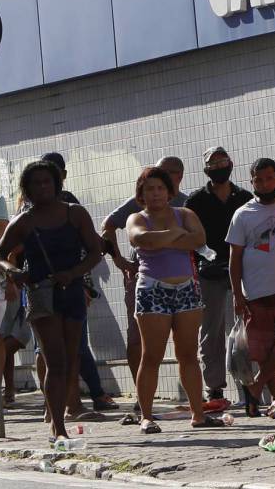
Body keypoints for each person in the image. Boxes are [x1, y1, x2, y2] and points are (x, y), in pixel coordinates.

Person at [0, 161, 103, 439]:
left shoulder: (75, 214)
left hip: (73, 291)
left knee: (71, 357)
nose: (42, 187)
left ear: (57, 184)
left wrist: (75, 273)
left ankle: (64, 411)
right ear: (27, 189)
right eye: (36, 183)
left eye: (47, 181)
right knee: (54, 360)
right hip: (40, 293)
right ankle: (58, 426)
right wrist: (12, 271)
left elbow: (95, 251)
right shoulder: (24, 221)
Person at [126, 166, 220, 433]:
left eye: (160, 188)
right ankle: (146, 415)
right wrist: (176, 235)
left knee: (188, 354)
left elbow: (199, 239)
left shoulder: (184, 213)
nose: (155, 194)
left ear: (169, 191)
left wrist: (164, 239)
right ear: (141, 193)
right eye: (149, 189)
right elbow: (141, 240)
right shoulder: (137, 217)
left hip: (187, 288)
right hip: (153, 289)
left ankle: (198, 413)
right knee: (151, 354)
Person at [40, 151, 118, 414]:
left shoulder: (70, 205)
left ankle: (73, 401)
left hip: (72, 283)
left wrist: (80, 276)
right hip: (43, 286)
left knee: (71, 345)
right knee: (55, 348)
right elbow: (5, 251)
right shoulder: (29, 211)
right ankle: (59, 404)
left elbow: (93, 247)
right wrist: (17, 275)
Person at [100, 156, 187, 386]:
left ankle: (194, 399)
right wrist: (118, 259)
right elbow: (108, 224)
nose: (158, 184)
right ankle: (142, 396)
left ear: (179, 177)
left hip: (182, 280)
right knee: (138, 339)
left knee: (184, 341)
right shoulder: (140, 203)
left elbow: (200, 238)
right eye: (157, 174)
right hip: (144, 278)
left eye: (166, 174)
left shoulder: (187, 204)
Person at [227, 157, 275, 418]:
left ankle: (255, 385)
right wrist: (237, 294)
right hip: (256, 293)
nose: (264, 183)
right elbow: (234, 259)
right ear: (252, 181)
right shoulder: (242, 214)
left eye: (269, 178)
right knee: (264, 349)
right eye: (259, 179)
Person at [186, 147, 253, 408]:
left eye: (223, 162)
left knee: (244, 329)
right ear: (206, 170)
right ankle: (214, 388)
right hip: (210, 273)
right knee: (211, 331)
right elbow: (190, 238)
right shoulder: (195, 201)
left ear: (231, 164)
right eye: (213, 164)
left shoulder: (245, 197)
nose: (218, 167)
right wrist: (206, 259)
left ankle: (249, 384)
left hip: (243, 270)